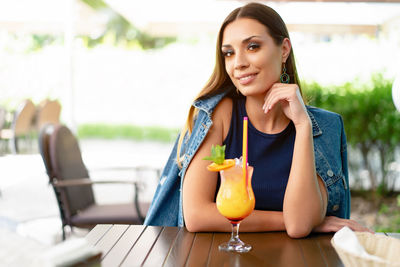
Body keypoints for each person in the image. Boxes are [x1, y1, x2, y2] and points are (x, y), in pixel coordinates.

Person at [144, 2, 371, 237]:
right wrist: (295, 219)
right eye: (229, 53)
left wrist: (303, 126)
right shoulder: (218, 115)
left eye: (252, 47)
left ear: (284, 50)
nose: (238, 63)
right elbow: (197, 215)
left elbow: (299, 227)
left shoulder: (323, 128)